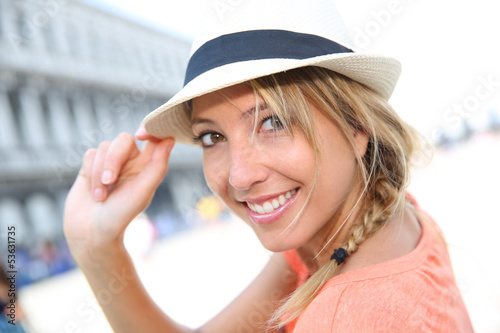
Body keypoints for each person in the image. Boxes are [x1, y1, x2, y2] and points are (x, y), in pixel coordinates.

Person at [63, 0, 474, 331]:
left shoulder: (343, 315)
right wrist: (96, 246)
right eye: (212, 137)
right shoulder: (375, 218)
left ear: (357, 127)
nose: (240, 176)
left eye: (273, 121)